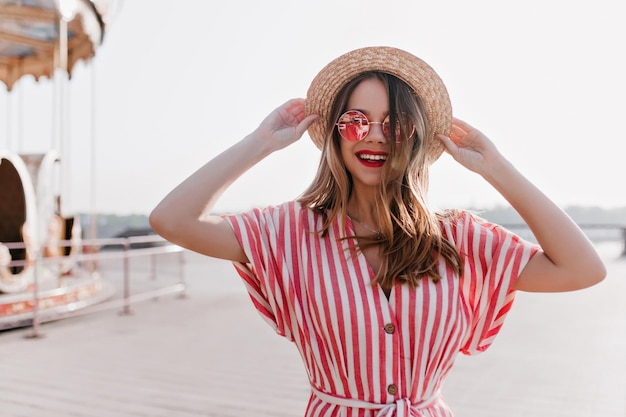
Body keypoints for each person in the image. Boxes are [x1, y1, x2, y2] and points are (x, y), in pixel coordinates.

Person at [149, 46, 606, 416]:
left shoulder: (457, 237)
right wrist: (260, 143)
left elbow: (582, 269)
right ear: (335, 133)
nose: (375, 136)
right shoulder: (287, 230)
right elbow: (172, 220)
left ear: (415, 138)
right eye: (356, 121)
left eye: (397, 124)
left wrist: (498, 169)